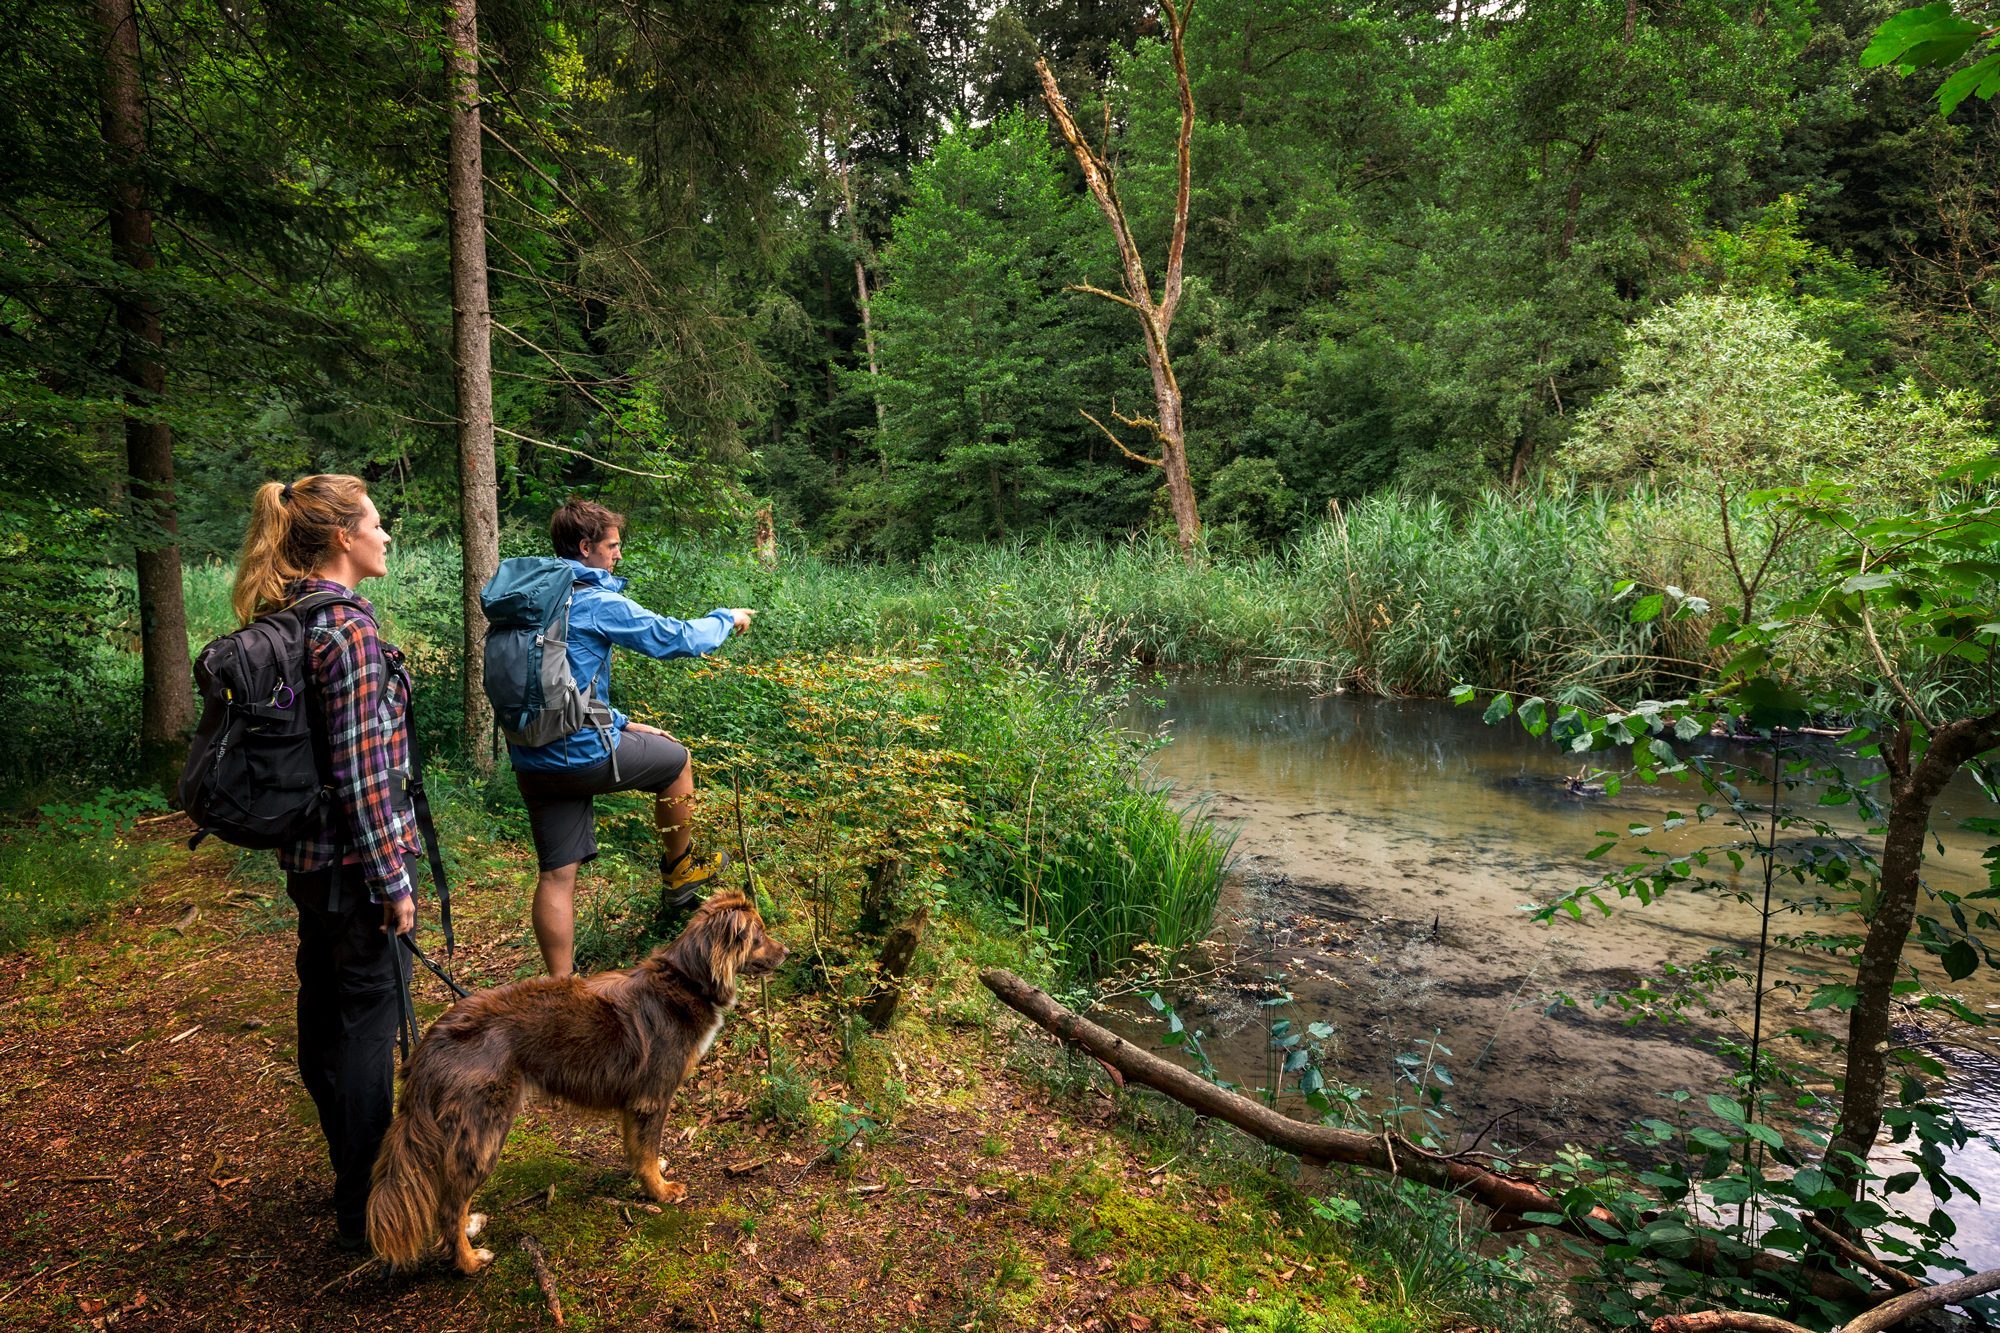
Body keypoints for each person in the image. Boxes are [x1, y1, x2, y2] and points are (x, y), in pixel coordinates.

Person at [231, 474, 420, 1251]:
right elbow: (362, 772)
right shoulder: (347, 631)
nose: (385, 535)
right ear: (343, 536)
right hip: (354, 874)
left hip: (310, 868)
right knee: (366, 1034)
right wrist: (394, 882)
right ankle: (372, 1209)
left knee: (325, 1022)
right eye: (376, 523)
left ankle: (352, 1177)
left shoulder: (294, 615)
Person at [509, 497, 753, 978]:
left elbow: (559, 684)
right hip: (579, 755)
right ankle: (680, 871)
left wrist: (618, 721)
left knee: (557, 875)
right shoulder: (595, 600)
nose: (617, 555)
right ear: (586, 548)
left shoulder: (531, 600)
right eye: (612, 546)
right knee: (676, 759)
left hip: (533, 759)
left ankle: (560, 987)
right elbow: (675, 638)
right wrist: (726, 618)